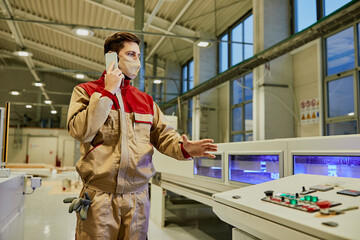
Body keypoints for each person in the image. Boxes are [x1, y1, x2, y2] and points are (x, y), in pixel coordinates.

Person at [66, 31, 217, 240]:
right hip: (100, 197)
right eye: (130, 55)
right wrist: (107, 93)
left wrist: (184, 148)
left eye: (138, 56)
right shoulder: (85, 91)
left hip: (137, 198)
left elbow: (163, 136)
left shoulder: (145, 100)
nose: (137, 61)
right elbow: (80, 131)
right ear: (112, 57)